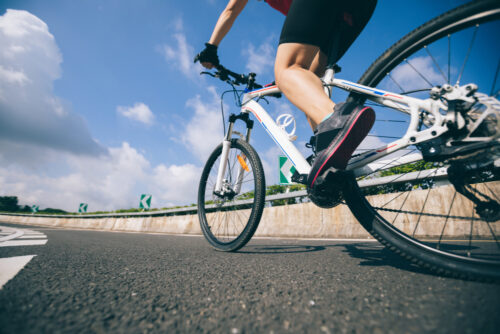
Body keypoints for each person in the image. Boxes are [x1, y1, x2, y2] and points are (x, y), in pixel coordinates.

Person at [195, 0, 377, 191]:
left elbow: (230, 10)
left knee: (287, 70)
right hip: (360, 7)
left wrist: (211, 48)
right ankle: (330, 163)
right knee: (308, 82)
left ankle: (338, 120)